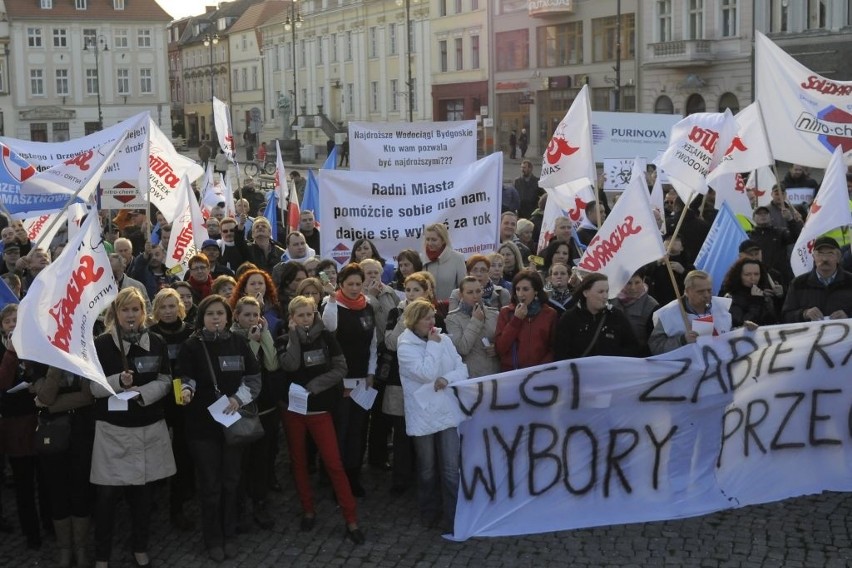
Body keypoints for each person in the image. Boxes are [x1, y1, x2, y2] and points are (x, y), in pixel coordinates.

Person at [90, 288, 175, 568]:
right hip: (112, 431)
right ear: (115, 314)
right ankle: (102, 555)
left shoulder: (157, 341)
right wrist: (116, 381)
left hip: (148, 427)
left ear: (143, 313)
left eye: (135, 310)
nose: (130, 315)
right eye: (124, 310)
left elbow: (165, 379)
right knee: (106, 499)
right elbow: (93, 387)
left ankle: (140, 547)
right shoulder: (101, 345)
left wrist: (142, 392)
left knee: (143, 498)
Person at [178, 295, 261, 562]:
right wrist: (186, 391)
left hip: (232, 423)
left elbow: (253, 377)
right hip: (202, 427)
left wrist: (239, 399)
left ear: (228, 317)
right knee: (211, 485)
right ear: (202, 317)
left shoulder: (238, 342)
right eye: (210, 313)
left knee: (231, 481)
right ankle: (212, 538)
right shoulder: (191, 346)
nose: (216, 318)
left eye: (220, 313)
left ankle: (230, 533)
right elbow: (182, 377)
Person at [278, 296, 365, 543]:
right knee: (299, 462)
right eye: (300, 315)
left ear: (315, 314)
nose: (306, 319)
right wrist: (294, 337)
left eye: (309, 314)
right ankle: (308, 509)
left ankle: (351, 518)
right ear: (292, 318)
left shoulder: (327, 338)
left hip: (319, 410)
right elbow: (291, 364)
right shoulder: (285, 340)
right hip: (293, 410)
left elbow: (341, 369)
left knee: (334, 463)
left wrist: (314, 386)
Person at [397, 299, 468, 532]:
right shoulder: (405, 345)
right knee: (427, 469)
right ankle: (429, 512)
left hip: (447, 412)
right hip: (424, 414)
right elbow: (426, 373)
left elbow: (462, 369)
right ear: (414, 321)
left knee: (450, 468)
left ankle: (454, 516)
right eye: (426, 317)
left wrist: (447, 379)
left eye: (432, 316)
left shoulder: (444, 339)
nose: (432, 321)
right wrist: (434, 345)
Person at [321, 263, 376, 496]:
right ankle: (335, 479)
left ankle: (354, 475)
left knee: (357, 429)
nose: (354, 288)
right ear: (341, 284)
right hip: (340, 381)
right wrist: (332, 298)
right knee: (340, 431)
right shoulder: (331, 304)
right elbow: (328, 327)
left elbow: (373, 342)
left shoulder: (368, 306)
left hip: (362, 380)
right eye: (349, 284)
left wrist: (371, 372)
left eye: (358, 284)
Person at [33, 364, 95, 568]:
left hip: (81, 432)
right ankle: (64, 549)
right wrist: (55, 366)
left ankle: (81, 548)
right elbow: (47, 394)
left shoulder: (84, 355)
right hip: (52, 434)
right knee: (56, 491)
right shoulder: (39, 359)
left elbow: (88, 396)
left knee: (81, 490)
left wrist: (49, 407)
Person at [230, 296, 280, 530]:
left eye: (255, 314)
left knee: (262, 459)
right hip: (242, 408)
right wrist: (251, 343)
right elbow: (245, 369)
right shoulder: (232, 338)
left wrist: (265, 335)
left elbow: (271, 364)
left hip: (266, 406)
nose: (252, 319)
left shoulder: (261, 332)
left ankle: (260, 502)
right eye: (247, 314)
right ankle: (238, 507)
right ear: (237, 316)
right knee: (240, 462)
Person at [148, 288, 196, 533]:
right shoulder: (150, 334)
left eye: (171, 306)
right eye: (163, 307)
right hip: (158, 396)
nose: (168, 311)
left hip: (183, 395)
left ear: (180, 308)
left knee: (182, 451)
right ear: (156, 311)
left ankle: (178, 505)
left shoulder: (190, 332)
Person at [0, 304, 47, 551]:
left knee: (46, 480)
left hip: (39, 422)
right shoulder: (4, 351)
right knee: (24, 485)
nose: (14, 326)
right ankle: (32, 533)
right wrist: (10, 353)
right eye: (9, 322)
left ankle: (50, 525)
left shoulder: (36, 347)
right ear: (2, 326)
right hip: (14, 427)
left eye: (18, 321)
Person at [554, 273, 639, 360]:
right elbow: (560, 353)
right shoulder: (569, 318)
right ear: (586, 293)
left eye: (607, 291)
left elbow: (632, 347)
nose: (605, 296)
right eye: (600, 292)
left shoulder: (616, 316)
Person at [648, 270, 733, 355]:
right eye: (701, 291)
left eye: (709, 290)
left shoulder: (722, 307)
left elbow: (730, 334)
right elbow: (655, 347)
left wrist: (743, 330)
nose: (706, 295)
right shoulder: (668, 314)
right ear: (687, 291)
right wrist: (682, 340)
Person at [495, 269, 558, 371]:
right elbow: (500, 348)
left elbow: (553, 348)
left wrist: (541, 369)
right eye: (517, 289)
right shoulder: (506, 312)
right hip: (513, 374)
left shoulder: (549, 314)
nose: (520, 294)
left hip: (541, 374)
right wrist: (516, 320)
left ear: (536, 291)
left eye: (525, 289)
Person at [782, 236, 852, 323]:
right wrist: (804, 314)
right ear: (814, 257)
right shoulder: (798, 283)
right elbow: (786, 316)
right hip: (810, 336)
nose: (824, 259)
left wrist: (848, 315)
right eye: (820, 254)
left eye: (830, 254)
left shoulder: (850, 281)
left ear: (838, 257)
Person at [445, 276, 500, 378]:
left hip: (495, 374)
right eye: (470, 292)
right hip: (472, 378)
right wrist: (475, 321)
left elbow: (503, 342)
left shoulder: (494, 314)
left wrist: (498, 348)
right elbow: (462, 349)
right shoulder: (452, 319)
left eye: (478, 291)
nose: (475, 296)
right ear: (461, 295)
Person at [719, 258, 778, 327]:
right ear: (739, 276)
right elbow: (741, 323)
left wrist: (779, 298)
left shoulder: (764, 296)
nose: (753, 278)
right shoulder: (731, 298)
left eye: (756, 274)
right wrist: (756, 301)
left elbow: (773, 322)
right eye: (747, 274)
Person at [610, 271, 659, 351]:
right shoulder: (611, 300)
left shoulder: (652, 307)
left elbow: (655, 341)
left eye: (637, 282)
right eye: (628, 283)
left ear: (643, 281)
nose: (633, 287)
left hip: (639, 357)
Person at [421, 223, 467, 301]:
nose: (429, 243)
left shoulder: (458, 258)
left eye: (434, 240)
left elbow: (463, 288)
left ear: (443, 240)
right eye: (427, 239)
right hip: (426, 310)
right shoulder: (421, 258)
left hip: (451, 310)